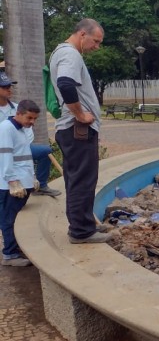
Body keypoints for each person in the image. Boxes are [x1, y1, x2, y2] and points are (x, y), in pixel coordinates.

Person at [50, 18, 109, 244]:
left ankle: (80, 224)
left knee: (77, 179)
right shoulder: (70, 54)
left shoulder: (62, 52)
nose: (97, 46)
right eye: (96, 41)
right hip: (77, 129)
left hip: (73, 130)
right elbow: (66, 84)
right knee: (83, 180)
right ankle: (82, 231)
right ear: (82, 34)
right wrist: (81, 115)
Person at [0, 72, 60, 197]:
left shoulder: (18, 108)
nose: (9, 89)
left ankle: (41, 185)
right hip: (3, 151)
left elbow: (27, 132)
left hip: (21, 147)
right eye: (5, 87)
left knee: (45, 151)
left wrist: (21, 147)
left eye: (9, 86)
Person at [0, 100, 42, 267]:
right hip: (11, 185)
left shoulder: (22, 130)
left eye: (34, 119)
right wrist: (12, 180)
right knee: (8, 219)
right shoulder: (6, 129)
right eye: (29, 117)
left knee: (14, 218)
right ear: (18, 113)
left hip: (22, 182)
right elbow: (5, 156)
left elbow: (24, 156)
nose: (32, 122)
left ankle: (14, 248)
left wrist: (32, 177)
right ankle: (9, 255)